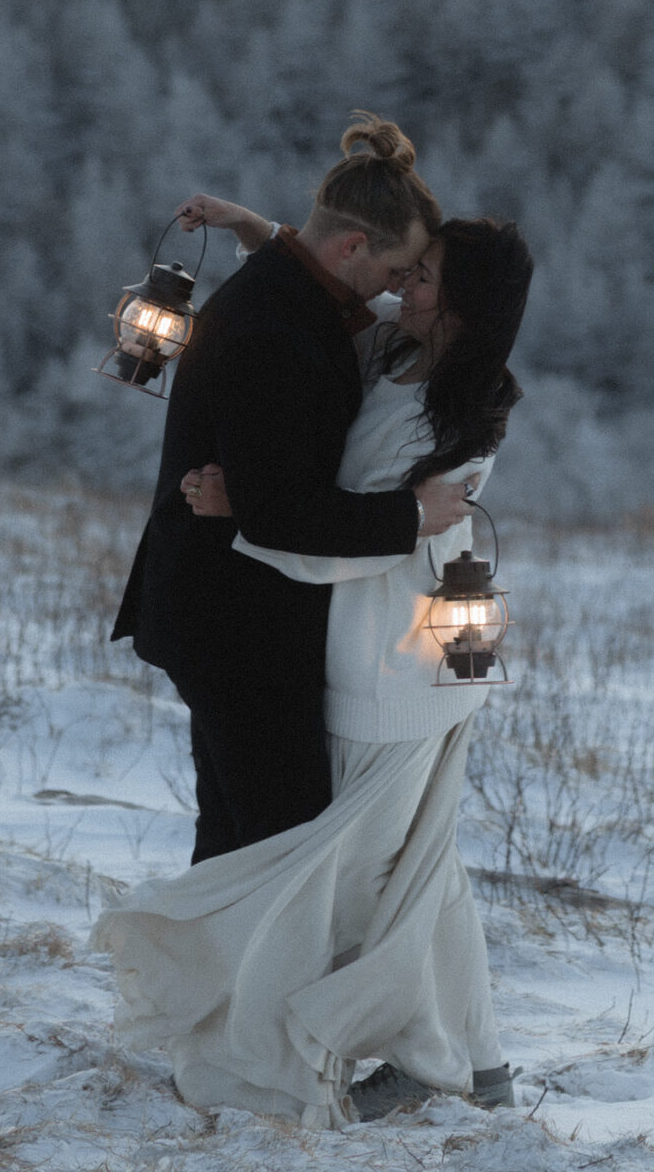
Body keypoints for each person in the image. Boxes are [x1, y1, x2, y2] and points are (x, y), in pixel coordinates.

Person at [94, 211, 532, 1128]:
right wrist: (266, 233)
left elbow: (346, 541)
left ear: (463, 301)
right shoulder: (392, 355)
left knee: (348, 878)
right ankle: (468, 1061)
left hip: (392, 663)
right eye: (404, 269)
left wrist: (248, 513)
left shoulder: (451, 409)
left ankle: (345, 1041)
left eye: (423, 277)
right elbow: (321, 284)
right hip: (390, 653)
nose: (399, 286)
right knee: (414, 870)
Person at [109, 114, 471, 861]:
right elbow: (277, 516)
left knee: (240, 836)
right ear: (351, 247)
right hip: (233, 623)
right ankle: (248, 972)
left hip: (224, 613)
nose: (398, 292)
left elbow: (308, 273)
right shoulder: (275, 333)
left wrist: (254, 227)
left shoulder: (291, 287)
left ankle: (214, 974)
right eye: (396, 271)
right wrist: (411, 515)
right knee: (283, 843)